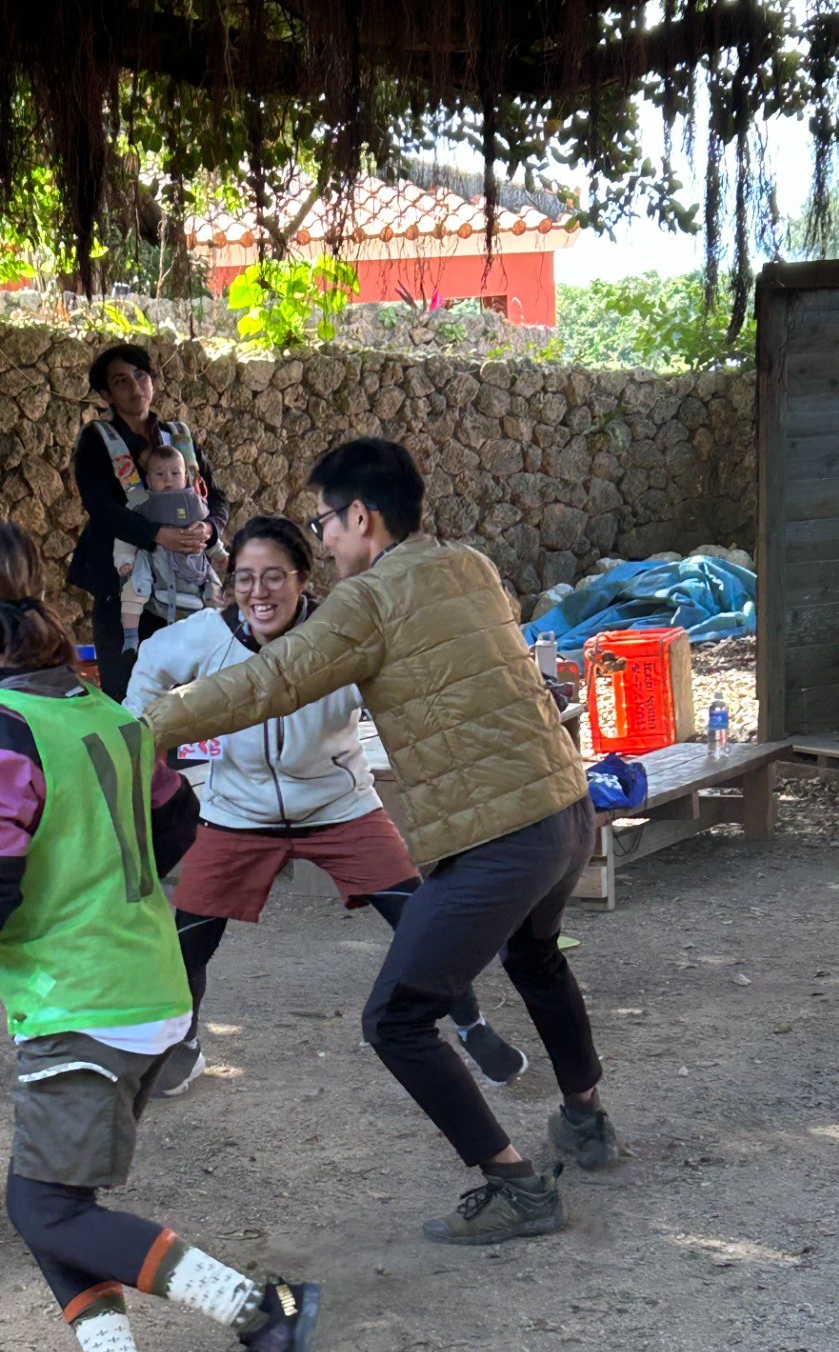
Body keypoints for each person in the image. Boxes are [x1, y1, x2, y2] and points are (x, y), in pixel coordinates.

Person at [0, 519, 318, 1352]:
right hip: (148, 991)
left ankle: (259, 1311)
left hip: (83, 1007)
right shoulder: (105, 711)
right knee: (44, 1204)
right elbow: (178, 826)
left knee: (49, 1210)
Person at [144, 439, 619, 1248]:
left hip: (498, 836)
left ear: (361, 517)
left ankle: (517, 1187)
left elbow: (269, 681)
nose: (322, 540)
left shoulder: (366, 602)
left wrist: (143, 728)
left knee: (396, 1020)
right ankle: (586, 1123)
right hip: (565, 811)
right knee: (537, 958)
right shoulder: (469, 565)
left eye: (324, 522)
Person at [125, 513, 528, 1099]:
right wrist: (140, 739)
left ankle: (471, 1025)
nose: (258, 593)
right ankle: (184, 1044)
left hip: (340, 803)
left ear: (303, 578)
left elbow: (413, 687)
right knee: (188, 936)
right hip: (238, 809)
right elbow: (149, 671)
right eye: (244, 579)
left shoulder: (344, 632)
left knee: (421, 920)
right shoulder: (204, 637)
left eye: (273, 578)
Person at [68, 343, 229, 702]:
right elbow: (100, 505)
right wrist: (157, 535)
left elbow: (214, 497)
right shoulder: (98, 440)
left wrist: (209, 529)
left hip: (185, 587)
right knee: (129, 692)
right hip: (125, 587)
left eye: (141, 376)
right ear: (106, 394)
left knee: (193, 693)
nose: (135, 387)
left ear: (152, 380)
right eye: (121, 382)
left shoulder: (178, 438)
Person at [115, 441, 218, 648]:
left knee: (217, 589)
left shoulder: (194, 502)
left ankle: (218, 632)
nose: (168, 480)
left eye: (175, 474)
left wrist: (220, 552)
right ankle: (130, 635)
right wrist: (124, 559)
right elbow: (125, 535)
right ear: (148, 480)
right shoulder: (143, 504)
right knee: (133, 587)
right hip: (154, 558)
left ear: (186, 477)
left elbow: (208, 531)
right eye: (160, 475)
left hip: (192, 559)